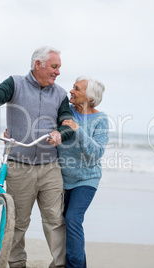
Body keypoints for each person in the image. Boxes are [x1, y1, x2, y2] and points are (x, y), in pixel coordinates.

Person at [0, 46, 73, 268]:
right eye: (54, 66)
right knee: (17, 223)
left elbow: (66, 120)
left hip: (50, 167)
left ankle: (60, 265)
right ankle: (17, 264)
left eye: (59, 67)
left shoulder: (60, 94)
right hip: (19, 166)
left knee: (55, 221)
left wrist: (61, 133)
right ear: (38, 64)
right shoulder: (16, 83)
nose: (58, 72)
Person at [58, 76, 109, 268]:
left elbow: (96, 153)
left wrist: (77, 129)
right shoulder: (66, 112)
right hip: (62, 178)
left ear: (89, 97)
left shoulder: (100, 119)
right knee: (67, 225)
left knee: (73, 219)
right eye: (73, 87)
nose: (71, 91)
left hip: (86, 180)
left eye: (77, 89)